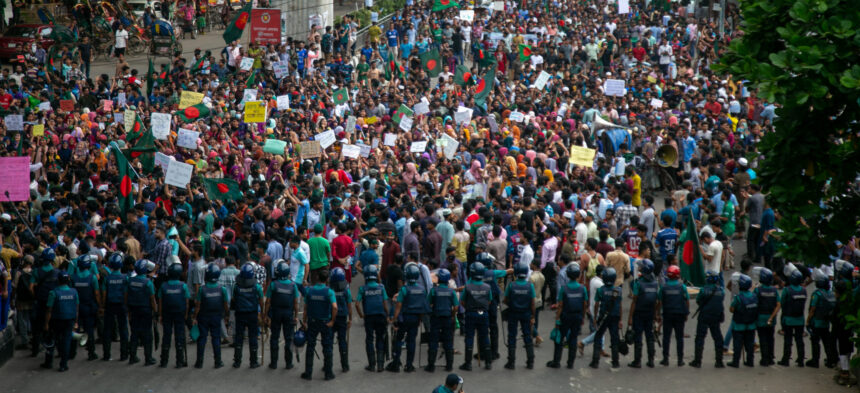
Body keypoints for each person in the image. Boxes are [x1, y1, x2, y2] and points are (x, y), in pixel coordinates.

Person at [388, 262, 427, 372]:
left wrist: (394, 320)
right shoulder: (421, 289)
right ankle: (409, 365)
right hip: (415, 319)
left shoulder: (404, 290)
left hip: (403, 319)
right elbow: (423, 307)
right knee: (412, 341)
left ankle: (396, 364)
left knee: (399, 340)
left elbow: (398, 307)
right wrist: (419, 319)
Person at [547, 263, 586, 369]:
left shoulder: (564, 289)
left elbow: (560, 305)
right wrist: (582, 317)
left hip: (565, 316)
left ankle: (556, 361)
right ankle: (570, 363)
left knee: (559, 338)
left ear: (568, 275)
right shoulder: (582, 289)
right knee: (573, 339)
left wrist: (557, 319)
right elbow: (584, 304)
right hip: (577, 316)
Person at [302, 269, 337, 381]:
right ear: (327, 280)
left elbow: (305, 308)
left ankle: (308, 373)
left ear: (317, 278)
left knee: (310, 347)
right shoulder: (329, 292)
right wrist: (332, 321)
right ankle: (328, 373)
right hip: (325, 322)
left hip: (312, 321)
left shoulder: (309, 290)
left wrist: (304, 321)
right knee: (327, 347)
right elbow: (335, 307)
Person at [192, 263, 229, 369]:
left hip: (203, 317)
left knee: (202, 338)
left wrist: (194, 317)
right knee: (216, 338)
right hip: (216, 317)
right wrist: (226, 316)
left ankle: (199, 362)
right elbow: (226, 305)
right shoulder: (222, 289)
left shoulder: (202, 289)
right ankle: (218, 361)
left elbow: (198, 306)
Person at [265, 260, 299, 370]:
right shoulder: (293, 285)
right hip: (288, 314)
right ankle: (288, 363)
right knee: (288, 338)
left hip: (276, 314)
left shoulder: (273, 285)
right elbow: (296, 303)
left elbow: (268, 301)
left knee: (274, 337)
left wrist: (266, 315)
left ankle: (273, 363)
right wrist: (296, 316)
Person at [355, 264, 389, 372]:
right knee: (380, 338)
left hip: (369, 317)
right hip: (380, 316)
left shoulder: (363, 289)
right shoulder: (381, 287)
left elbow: (356, 304)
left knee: (369, 339)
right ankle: (380, 365)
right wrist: (388, 316)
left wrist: (361, 315)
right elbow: (385, 304)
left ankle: (371, 364)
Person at [502, 262, 536, 369]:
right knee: (527, 336)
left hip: (513, 313)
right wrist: (533, 316)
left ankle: (511, 362)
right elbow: (533, 303)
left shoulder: (511, 285)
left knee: (512, 336)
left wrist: (512, 305)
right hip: (526, 313)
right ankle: (530, 361)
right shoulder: (530, 286)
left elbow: (505, 300)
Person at [459, 262, 492, 371]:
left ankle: (468, 364)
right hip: (483, 314)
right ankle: (488, 363)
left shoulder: (467, 287)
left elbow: (462, 301)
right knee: (485, 337)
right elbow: (489, 301)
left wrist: (469, 307)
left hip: (470, 314)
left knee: (469, 337)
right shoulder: (487, 287)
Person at [232, 262, 264, 368]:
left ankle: (237, 361)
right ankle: (253, 361)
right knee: (253, 337)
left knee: (239, 337)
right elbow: (261, 300)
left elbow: (234, 299)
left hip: (240, 314)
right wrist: (262, 313)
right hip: (252, 314)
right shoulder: (257, 287)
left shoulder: (236, 287)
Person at [690, 270, 724, 368]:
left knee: (700, 337)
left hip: (704, 315)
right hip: (716, 316)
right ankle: (719, 361)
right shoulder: (721, 290)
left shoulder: (703, 290)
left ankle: (697, 361)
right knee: (717, 337)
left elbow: (698, 300)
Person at [627, 259, 657, 368]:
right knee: (650, 336)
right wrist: (656, 315)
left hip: (639, 313)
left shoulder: (638, 283)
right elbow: (656, 301)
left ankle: (637, 361)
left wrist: (630, 317)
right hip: (650, 313)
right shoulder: (655, 283)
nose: (638, 268)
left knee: (638, 337)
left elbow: (634, 301)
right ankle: (651, 360)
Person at [158, 262, 189, 368]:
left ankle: (164, 361)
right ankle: (180, 361)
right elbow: (187, 302)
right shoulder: (183, 286)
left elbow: (160, 301)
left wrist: (160, 314)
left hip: (167, 313)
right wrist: (186, 314)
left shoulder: (163, 286)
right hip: (179, 313)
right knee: (179, 335)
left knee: (166, 335)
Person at [426, 268, 458, 372]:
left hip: (436, 318)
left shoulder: (434, 291)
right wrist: (452, 315)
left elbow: (428, 304)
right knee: (448, 341)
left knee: (433, 341)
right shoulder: (451, 291)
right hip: (447, 318)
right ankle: (449, 366)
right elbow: (456, 307)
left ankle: (431, 366)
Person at [590, 267, 622, 369]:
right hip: (615, 316)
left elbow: (596, 305)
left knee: (598, 337)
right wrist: (620, 319)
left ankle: (595, 361)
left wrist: (595, 317)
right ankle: (615, 361)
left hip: (603, 317)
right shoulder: (619, 290)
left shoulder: (600, 290)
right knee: (614, 338)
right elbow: (620, 305)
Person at [657, 265, 688, 367]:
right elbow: (686, 300)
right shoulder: (682, 287)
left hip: (667, 314)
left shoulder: (663, 287)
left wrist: (658, 314)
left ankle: (665, 359)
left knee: (666, 337)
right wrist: (686, 313)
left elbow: (659, 301)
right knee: (679, 338)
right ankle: (680, 360)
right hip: (680, 314)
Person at [127, 259, 157, 366]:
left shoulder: (130, 280)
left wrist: (128, 310)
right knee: (147, 334)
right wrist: (156, 311)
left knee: (134, 333)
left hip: (134, 309)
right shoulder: (148, 283)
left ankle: (132, 356)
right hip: (145, 310)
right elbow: (152, 299)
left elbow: (127, 296)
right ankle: (148, 358)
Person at [70, 255, 100, 361]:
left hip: (76, 308)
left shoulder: (73, 277)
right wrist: (99, 305)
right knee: (89, 330)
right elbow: (96, 294)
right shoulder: (92, 278)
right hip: (89, 307)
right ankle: (91, 353)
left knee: (74, 330)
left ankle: (71, 353)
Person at [774, 269, 806, 367]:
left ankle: (786, 359)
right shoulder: (803, 290)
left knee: (788, 340)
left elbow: (782, 302)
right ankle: (801, 359)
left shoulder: (787, 290)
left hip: (788, 319)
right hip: (800, 319)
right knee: (799, 340)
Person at [102, 253, 129, 361]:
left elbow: (104, 293)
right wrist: (126, 306)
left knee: (107, 330)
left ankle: (106, 354)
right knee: (123, 330)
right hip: (121, 305)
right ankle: (124, 354)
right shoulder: (125, 278)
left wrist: (102, 306)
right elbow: (126, 293)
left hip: (109, 305)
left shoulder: (107, 278)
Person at [806, 275, 837, 368]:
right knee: (826, 342)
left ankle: (815, 360)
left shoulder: (817, 294)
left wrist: (808, 321)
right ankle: (830, 360)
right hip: (826, 322)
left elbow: (812, 309)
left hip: (816, 321)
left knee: (815, 341)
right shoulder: (831, 293)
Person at [727, 274, 757, 368]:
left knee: (737, 344)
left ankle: (735, 362)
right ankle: (750, 361)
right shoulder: (754, 296)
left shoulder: (738, 297)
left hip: (739, 325)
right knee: (750, 343)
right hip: (751, 325)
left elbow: (731, 309)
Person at [330, 267, 353, 372]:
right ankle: (345, 365)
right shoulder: (346, 291)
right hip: (342, 318)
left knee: (328, 342)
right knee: (342, 341)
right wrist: (350, 319)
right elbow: (349, 307)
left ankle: (328, 363)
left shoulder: (330, 290)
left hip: (331, 318)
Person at [754, 267, 778, 366]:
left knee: (762, 338)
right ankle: (771, 358)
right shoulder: (774, 290)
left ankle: (764, 359)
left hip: (760, 317)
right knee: (770, 338)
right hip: (771, 318)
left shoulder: (757, 290)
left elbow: (754, 302)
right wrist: (773, 316)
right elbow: (778, 303)